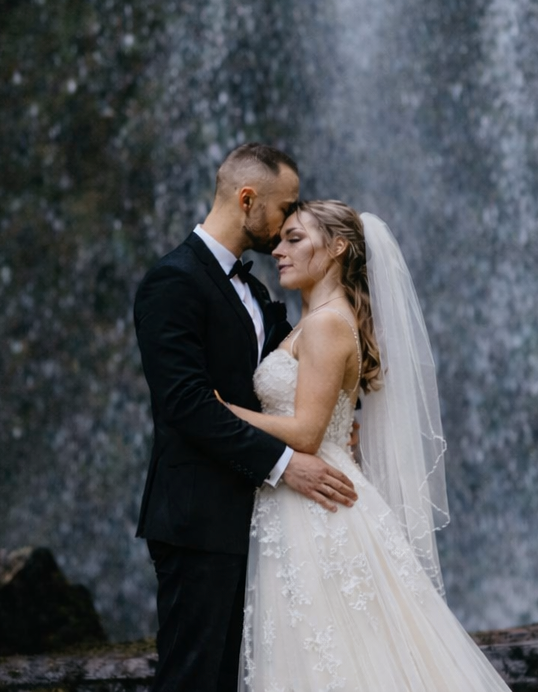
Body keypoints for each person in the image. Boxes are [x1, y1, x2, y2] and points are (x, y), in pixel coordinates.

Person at [217, 199, 512, 691]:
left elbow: (308, 432)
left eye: (295, 239)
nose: (278, 251)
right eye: (280, 239)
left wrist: (224, 412)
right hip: (304, 496)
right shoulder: (322, 319)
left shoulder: (327, 323)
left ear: (337, 248)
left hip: (317, 505)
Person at [134, 145, 359, 692]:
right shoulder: (173, 282)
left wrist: (341, 413)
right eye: (285, 209)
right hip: (200, 519)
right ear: (247, 199)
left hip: (261, 521)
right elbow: (186, 406)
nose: (288, 224)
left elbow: (299, 375)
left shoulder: (255, 289)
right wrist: (286, 464)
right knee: (194, 679)